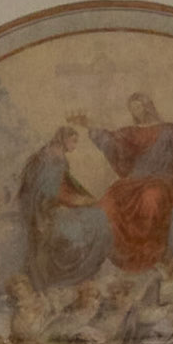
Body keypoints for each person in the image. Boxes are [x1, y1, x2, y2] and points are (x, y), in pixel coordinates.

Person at [72, 94, 173, 274]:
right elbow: (112, 143)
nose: (136, 111)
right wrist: (89, 125)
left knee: (151, 199)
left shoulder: (170, 131)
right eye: (132, 108)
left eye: (139, 106)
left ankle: (149, 255)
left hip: (160, 180)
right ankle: (115, 254)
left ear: (148, 106)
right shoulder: (130, 133)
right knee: (107, 204)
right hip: (133, 181)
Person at [16, 124, 113, 290]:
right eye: (73, 141)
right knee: (96, 219)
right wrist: (77, 201)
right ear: (64, 139)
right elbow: (49, 193)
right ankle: (77, 273)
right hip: (45, 211)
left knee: (97, 214)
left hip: (50, 206)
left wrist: (82, 198)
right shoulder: (52, 159)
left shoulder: (52, 154)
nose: (74, 146)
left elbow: (64, 185)